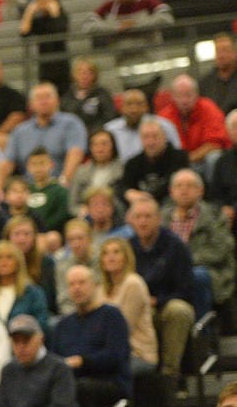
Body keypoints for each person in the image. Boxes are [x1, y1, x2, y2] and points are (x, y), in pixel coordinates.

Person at [50, 265, 131, 407]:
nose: (77, 288)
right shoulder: (63, 325)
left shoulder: (112, 316)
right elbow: (54, 360)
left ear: (95, 285)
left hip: (109, 382)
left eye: (82, 283)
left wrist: (82, 362)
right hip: (71, 382)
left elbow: (115, 356)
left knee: (82, 389)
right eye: (71, 284)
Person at [128, 196, 196, 391]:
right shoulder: (127, 248)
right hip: (140, 308)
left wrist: (158, 300)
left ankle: (170, 374)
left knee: (179, 311)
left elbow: (186, 288)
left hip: (167, 303)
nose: (143, 221)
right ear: (131, 221)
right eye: (138, 217)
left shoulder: (175, 246)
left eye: (148, 216)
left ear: (159, 219)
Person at [82, 0, 174, 94]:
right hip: (124, 69)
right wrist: (116, 28)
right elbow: (88, 26)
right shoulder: (109, 7)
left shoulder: (147, 2)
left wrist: (136, 26)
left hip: (151, 65)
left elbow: (167, 18)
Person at [161, 168, 235, 314]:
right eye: (179, 186)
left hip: (206, 269)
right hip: (166, 269)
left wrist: (185, 261)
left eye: (189, 186)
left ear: (200, 191)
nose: (184, 190)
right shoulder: (161, 218)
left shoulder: (214, 216)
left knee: (197, 275)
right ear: (171, 191)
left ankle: (202, 329)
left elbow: (221, 249)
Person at [0, 82, 87, 192]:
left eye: (48, 97)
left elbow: (75, 154)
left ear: (58, 100)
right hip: (28, 190)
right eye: (38, 98)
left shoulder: (71, 123)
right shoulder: (20, 131)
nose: (43, 101)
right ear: (31, 105)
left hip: (61, 187)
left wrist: (64, 181)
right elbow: (7, 163)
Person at [99, 237, 159, 375]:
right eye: (106, 253)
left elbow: (123, 328)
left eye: (116, 252)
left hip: (138, 354)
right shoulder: (101, 289)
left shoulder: (133, 283)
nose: (111, 257)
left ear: (126, 257)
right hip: (110, 352)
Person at [157, 74, 231, 178]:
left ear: (196, 94)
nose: (184, 101)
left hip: (202, 161)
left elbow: (215, 144)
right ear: (172, 96)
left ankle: (213, 192)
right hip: (175, 165)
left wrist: (188, 159)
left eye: (188, 95)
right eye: (179, 95)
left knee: (214, 157)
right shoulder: (163, 118)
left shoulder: (209, 108)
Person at [120, 118, 190, 205]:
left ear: (164, 137)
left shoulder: (179, 157)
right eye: (146, 137)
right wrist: (128, 193)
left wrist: (148, 198)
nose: (151, 142)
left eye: (155, 136)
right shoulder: (132, 163)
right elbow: (124, 186)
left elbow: (174, 185)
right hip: (141, 209)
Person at [18, 0, 69, 93]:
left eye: (45, 0)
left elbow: (60, 31)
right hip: (45, 67)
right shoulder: (39, 19)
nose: (41, 3)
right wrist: (29, 12)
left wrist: (55, 12)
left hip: (61, 66)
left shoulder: (62, 16)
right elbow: (24, 33)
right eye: (38, 0)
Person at [60, 57, 116, 133]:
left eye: (89, 72)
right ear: (74, 75)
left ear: (95, 75)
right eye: (81, 72)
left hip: (97, 135)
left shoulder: (102, 94)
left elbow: (109, 117)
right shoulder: (67, 97)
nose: (85, 76)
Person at [199, 33, 237, 115]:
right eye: (218, 51)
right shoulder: (205, 83)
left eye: (225, 50)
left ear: (234, 53)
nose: (221, 55)